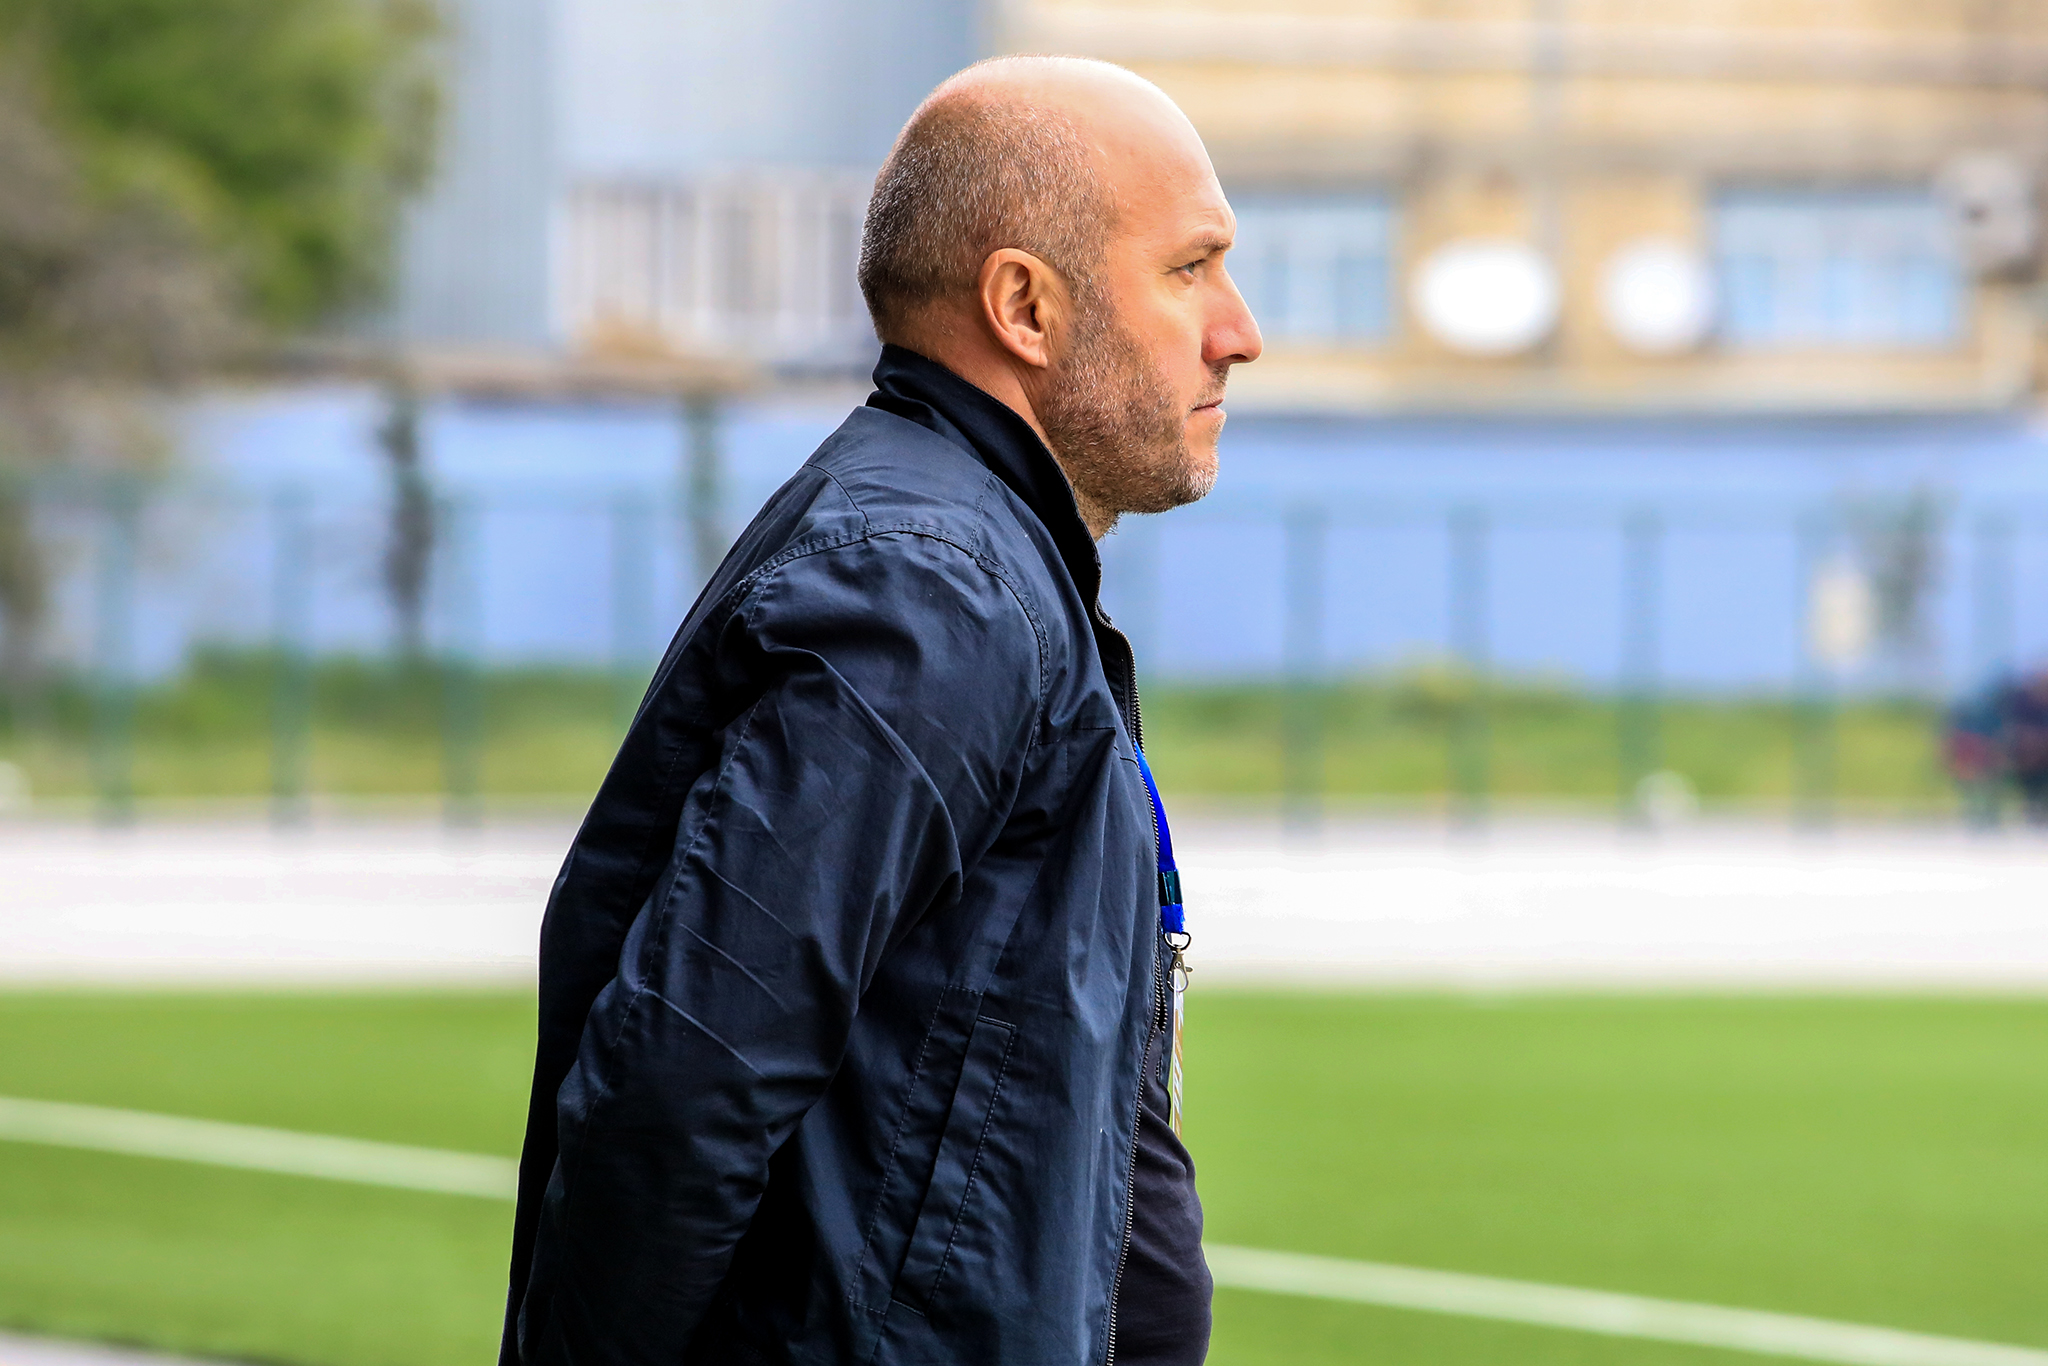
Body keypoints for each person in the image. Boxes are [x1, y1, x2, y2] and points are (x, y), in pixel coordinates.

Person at [499, 55, 1261, 1366]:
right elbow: (689, 1081)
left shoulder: (988, 565)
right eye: (1189, 270)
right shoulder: (931, 587)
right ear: (1025, 306)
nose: (1238, 331)